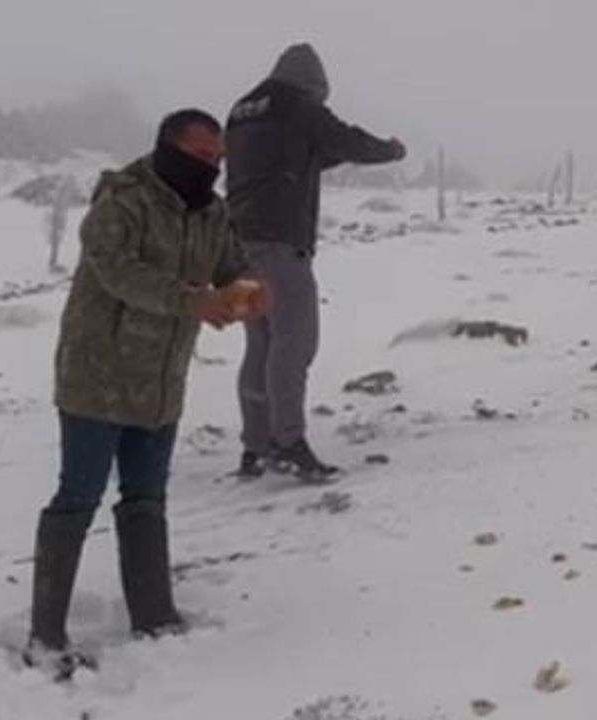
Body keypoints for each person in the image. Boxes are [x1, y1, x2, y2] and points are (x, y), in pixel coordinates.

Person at [26, 109, 264, 678]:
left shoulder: (212, 211)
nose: (211, 168)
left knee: (147, 497)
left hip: (160, 380)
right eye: (201, 156)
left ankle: (154, 616)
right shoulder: (122, 201)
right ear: (167, 148)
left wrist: (249, 290)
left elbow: (230, 265)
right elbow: (117, 272)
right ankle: (45, 635)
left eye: (218, 159)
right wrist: (192, 301)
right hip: (98, 375)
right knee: (78, 496)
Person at [226, 42, 406, 481]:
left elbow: (293, 156)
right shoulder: (298, 104)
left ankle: (255, 446)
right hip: (280, 242)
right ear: (313, 85)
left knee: (260, 343)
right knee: (294, 342)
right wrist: (390, 150)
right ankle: (288, 442)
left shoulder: (243, 110)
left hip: (239, 244)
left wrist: (333, 152)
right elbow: (344, 139)